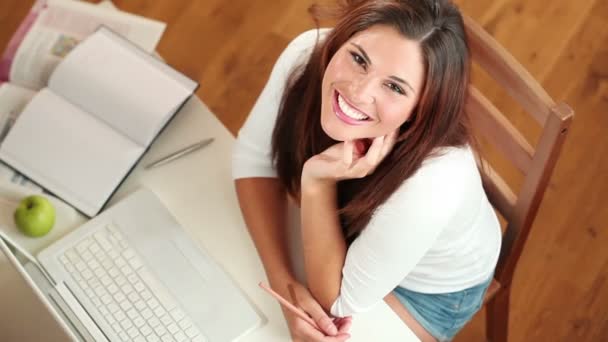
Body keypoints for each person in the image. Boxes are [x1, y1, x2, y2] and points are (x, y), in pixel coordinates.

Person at [232, 0, 502, 341]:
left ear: (420, 109)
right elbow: (254, 162)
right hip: (354, 233)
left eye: (394, 87)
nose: (358, 92)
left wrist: (317, 181)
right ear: (342, 39)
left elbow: (337, 300)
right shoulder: (307, 54)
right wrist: (284, 283)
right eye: (358, 58)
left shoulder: (433, 182)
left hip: (427, 292)